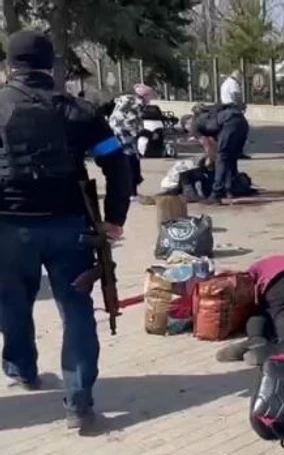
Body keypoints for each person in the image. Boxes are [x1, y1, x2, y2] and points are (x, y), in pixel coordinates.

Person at [0, 31, 132, 429]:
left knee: (11, 301)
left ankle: (22, 368)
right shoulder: (79, 110)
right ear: (50, 65)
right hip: (70, 226)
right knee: (75, 310)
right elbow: (117, 163)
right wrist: (115, 218)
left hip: (8, 226)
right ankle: (79, 402)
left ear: (10, 66)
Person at [190, 103, 250, 205]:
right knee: (231, 156)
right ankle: (229, 190)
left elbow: (208, 146)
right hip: (242, 121)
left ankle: (215, 195)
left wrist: (211, 159)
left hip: (229, 124)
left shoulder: (195, 125)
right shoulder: (214, 112)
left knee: (222, 158)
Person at [107, 83, 156, 198]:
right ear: (144, 95)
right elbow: (131, 122)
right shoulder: (136, 103)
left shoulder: (125, 99)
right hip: (124, 134)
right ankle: (131, 191)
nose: (151, 98)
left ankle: (129, 190)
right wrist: (143, 133)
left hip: (115, 132)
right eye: (150, 96)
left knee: (127, 159)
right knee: (131, 160)